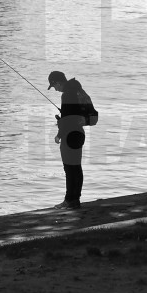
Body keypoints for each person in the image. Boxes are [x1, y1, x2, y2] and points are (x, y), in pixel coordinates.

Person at [48, 70, 97, 210]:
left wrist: (59, 134)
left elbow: (68, 120)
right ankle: (75, 200)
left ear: (57, 82)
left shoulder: (67, 94)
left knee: (69, 169)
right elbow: (73, 116)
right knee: (76, 167)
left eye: (54, 86)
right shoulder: (76, 90)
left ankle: (69, 200)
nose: (56, 90)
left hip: (70, 134)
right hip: (79, 133)